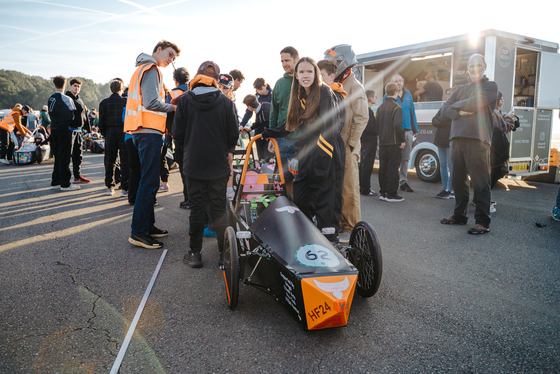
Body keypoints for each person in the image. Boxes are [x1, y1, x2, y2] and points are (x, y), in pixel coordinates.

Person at [172, 61, 238, 268]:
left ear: (198, 77)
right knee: (219, 209)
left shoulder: (184, 101)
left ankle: (195, 254)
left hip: (194, 163)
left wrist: (187, 149)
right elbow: (232, 135)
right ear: (216, 80)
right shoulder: (227, 102)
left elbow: (178, 134)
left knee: (197, 208)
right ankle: (224, 255)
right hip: (218, 164)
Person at [263, 57, 338, 235]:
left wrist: (321, 165)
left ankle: (328, 239)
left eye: (309, 71)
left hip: (325, 150)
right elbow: (292, 124)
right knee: (302, 199)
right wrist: (270, 132)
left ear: (316, 74)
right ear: (296, 75)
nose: (306, 75)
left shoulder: (325, 93)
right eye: (302, 72)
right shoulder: (299, 95)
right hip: (306, 151)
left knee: (323, 202)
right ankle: (306, 235)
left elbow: (329, 130)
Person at [124, 40, 180, 249]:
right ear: (158, 50)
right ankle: (138, 232)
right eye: (169, 54)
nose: (171, 59)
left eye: (174, 57)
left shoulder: (141, 69)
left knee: (148, 181)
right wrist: (174, 108)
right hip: (148, 132)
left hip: (141, 131)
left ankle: (148, 226)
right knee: (149, 182)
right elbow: (151, 103)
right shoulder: (152, 69)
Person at [440, 53, 498, 235]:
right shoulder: (460, 88)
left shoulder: (490, 86)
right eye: (471, 66)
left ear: (484, 66)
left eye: (478, 65)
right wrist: (459, 112)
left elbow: (475, 103)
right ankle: (459, 216)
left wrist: (456, 106)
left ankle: (482, 222)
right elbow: (444, 109)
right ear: (467, 69)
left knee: (480, 183)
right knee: (458, 181)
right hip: (456, 138)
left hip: (477, 139)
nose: (475, 69)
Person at [323, 44, 368, 242]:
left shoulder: (354, 85)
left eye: (335, 63)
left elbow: (362, 118)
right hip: (336, 144)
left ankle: (352, 228)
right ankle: (341, 224)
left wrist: (350, 145)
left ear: (344, 62)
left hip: (347, 145)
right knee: (338, 186)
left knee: (349, 188)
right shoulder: (337, 83)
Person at [317, 58, 346, 237]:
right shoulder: (322, 93)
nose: (318, 79)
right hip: (322, 144)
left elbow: (337, 124)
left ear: (332, 76)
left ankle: (332, 230)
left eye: (321, 75)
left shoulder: (336, 95)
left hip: (333, 145)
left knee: (333, 190)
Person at [269, 46, 300, 198]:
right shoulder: (279, 84)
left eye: (287, 60)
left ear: (297, 59)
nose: (284, 64)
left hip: (303, 138)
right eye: (282, 61)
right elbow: (274, 112)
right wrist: (272, 137)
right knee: (286, 177)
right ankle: (292, 209)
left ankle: (305, 212)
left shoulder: (306, 80)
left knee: (303, 176)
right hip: (283, 140)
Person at [384, 74, 418, 193]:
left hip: (407, 130)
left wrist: (415, 129)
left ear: (403, 82)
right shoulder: (388, 96)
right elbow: (386, 114)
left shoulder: (408, 95)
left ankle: (403, 182)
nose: (398, 83)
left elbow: (412, 112)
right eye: (395, 81)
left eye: (400, 81)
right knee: (393, 158)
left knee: (405, 158)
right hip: (394, 132)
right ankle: (390, 182)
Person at [48, 76, 79, 191]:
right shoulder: (67, 99)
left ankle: (55, 181)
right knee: (65, 157)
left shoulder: (51, 98)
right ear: (65, 85)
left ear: (55, 85)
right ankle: (65, 183)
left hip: (54, 128)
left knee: (58, 156)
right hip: (64, 129)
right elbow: (72, 115)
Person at [99, 79, 128, 197]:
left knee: (110, 160)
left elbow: (101, 122)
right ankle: (125, 188)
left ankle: (110, 186)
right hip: (123, 130)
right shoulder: (126, 101)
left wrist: (104, 133)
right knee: (125, 159)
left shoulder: (104, 103)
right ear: (122, 89)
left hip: (110, 131)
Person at [376, 82, 405, 202]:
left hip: (382, 142)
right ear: (396, 93)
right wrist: (402, 140)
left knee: (383, 167)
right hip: (393, 142)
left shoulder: (379, 108)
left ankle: (383, 192)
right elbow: (398, 125)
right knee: (393, 168)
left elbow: (377, 125)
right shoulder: (397, 107)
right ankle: (392, 194)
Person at [490, 91, 518, 212]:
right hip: (494, 150)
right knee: (491, 177)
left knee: (489, 177)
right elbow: (503, 129)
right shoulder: (494, 113)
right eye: (501, 99)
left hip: (492, 149)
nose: (503, 101)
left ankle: (481, 199)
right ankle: (482, 202)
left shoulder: (494, 112)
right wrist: (509, 118)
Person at [167, 67, 191, 207]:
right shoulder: (193, 90)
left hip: (180, 136)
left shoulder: (172, 93)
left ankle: (188, 198)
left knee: (183, 168)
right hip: (195, 135)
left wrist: (169, 139)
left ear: (175, 80)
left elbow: (169, 117)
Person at [432, 87, 456, 199]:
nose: (448, 96)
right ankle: (445, 189)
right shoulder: (443, 107)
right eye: (447, 94)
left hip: (450, 139)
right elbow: (434, 120)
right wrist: (443, 120)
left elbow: (443, 119)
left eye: (450, 93)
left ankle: (451, 190)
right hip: (440, 140)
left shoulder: (456, 107)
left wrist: (441, 120)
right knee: (443, 165)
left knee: (451, 166)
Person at [65, 79, 91, 184]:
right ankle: (65, 179)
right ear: (70, 86)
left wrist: (88, 129)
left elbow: (84, 114)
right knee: (68, 155)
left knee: (78, 155)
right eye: (75, 86)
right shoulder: (67, 99)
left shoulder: (80, 99)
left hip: (79, 131)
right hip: (69, 130)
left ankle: (77, 176)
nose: (77, 88)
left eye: (79, 86)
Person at [359, 90, 379, 196]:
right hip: (370, 141)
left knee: (362, 163)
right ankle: (365, 189)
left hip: (363, 140)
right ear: (370, 98)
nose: (375, 98)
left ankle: (362, 187)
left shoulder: (362, 109)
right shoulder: (369, 111)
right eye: (374, 96)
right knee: (367, 165)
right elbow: (370, 128)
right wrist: (378, 130)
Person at [241, 94, 271, 160]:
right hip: (265, 134)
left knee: (267, 155)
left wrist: (268, 134)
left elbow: (269, 123)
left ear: (250, 107)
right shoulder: (260, 108)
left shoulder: (266, 109)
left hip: (269, 135)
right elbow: (258, 122)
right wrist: (251, 128)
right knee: (261, 154)